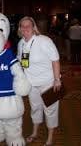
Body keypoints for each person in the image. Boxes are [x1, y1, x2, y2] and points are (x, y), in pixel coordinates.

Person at [17, 16, 61, 146]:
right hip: (31, 83)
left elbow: (55, 60)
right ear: (19, 29)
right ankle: (35, 132)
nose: (25, 28)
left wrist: (57, 79)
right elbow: (21, 62)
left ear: (33, 27)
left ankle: (50, 137)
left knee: (50, 109)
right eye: (22, 26)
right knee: (35, 109)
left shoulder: (44, 41)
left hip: (48, 82)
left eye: (28, 26)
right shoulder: (21, 43)